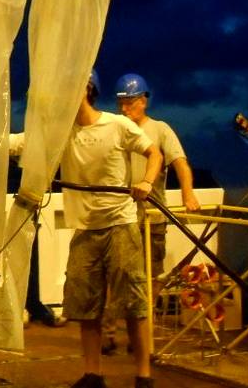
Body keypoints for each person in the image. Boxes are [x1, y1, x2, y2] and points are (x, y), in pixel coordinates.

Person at [61, 70, 163, 388]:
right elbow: (25, 144)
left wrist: (146, 182)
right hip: (85, 228)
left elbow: (154, 153)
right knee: (85, 303)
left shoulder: (117, 125)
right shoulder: (62, 132)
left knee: (133, 301)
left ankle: (143, 376)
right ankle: (93, 375)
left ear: (87, 89)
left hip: (120, 224)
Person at [101, 72, 201, 355]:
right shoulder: (116, 128)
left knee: (151, 277)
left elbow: (180, 162)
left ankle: (141, 336)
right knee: (115, 275)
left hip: (153, 217)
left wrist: (188, 193)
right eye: (121, 102)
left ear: (144, 100)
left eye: (130, 102)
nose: (124, 108)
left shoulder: (160, 130)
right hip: (121, 215)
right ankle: (109, 333)